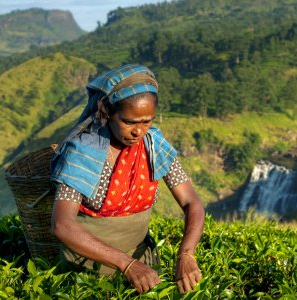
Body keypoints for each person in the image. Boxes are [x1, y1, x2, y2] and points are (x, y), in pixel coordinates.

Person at [50, 64, 205, 293]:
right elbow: (62, 225)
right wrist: (127, 264)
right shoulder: (83, 152)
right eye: (129, 122)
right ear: (106, 111)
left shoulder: (153, 145)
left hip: (143, 267)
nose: (138, 131)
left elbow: (192, 203)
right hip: (85, 272)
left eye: (147, 121)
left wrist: (186, 254)